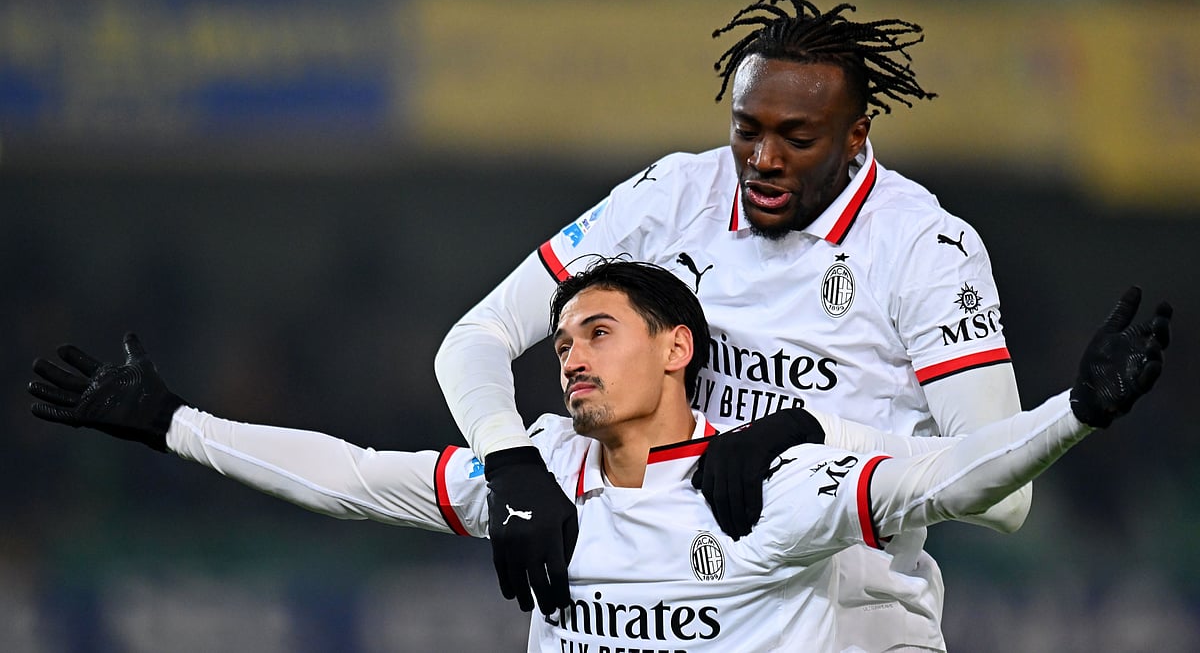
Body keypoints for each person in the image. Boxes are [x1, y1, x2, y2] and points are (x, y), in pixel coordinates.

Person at [28, 260, 1170, 652]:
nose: (568, 356)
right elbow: (353, 478)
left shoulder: (768, 485)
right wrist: (173, 421)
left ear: (679, 350)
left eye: (599, 333)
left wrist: (1078, 408)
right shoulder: (538, 480)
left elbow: (947, 481)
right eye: (561, 338)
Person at [435, 0, 1027, 649]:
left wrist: (812, 430)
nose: (764, 160)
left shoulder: (925, 248)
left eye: (797, 137)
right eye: (748, 129)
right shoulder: (676, 195)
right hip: (696, 619)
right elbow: (475, 338)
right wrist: (509, 462)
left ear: (856, 134)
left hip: (862, 629)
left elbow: (1002, 493)